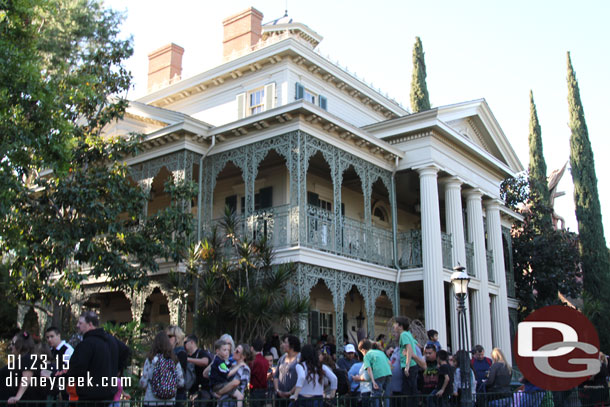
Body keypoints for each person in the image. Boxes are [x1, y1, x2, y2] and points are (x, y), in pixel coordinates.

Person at [67, 310, 131, 405]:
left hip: (90, 397)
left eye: (80, 323)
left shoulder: (86, 344)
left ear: (90, 324)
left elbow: (76, 369)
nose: (77, 325)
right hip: (107, 395)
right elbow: (126, 351)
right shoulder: (111, 340)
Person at [139, 331, 185, 406]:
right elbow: (181, 382)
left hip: (151, 401)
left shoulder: (150, 360)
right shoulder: (174, 360)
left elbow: (143, 383)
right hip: (169, 402)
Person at [6, 331, 48, 406]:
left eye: (13, 343)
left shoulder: (28, 359)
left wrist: (17, 397)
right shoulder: (22, 360)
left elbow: (27, 377)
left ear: (20, 344)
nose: (10, 346)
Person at [394, 316, 424, 407]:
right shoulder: (408, 334)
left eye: (395, 324)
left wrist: (407, 366)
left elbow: (409, 348)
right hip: (412, 366)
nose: (394, 326)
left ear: (400, 326)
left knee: (408, 391)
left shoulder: (403, 335)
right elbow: (416, 344)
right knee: (411, 390)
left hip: (410, 366)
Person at [209, 339, 246, 407]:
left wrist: (234, 365)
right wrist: (239, 366)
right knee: (240, 396)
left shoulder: (221, 361)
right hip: (219, 385)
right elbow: (228, 373)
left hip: (217, 385)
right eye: (224, 350)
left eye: (228, 350)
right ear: (217, 351)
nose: (227, 352)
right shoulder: (219, 362)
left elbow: (228, 365)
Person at [358, 339, 392, 407]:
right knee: (386, 395)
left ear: (363, 350)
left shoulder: (367, 355)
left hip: (378, 374)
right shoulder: (380, 352)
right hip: (388, 373)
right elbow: (390, 363)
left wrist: (373, 381)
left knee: (375, 394)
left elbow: (369, 369)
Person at [274, 334, 301, 407]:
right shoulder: (282, 358)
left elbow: (301, 379)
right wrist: (277, 390)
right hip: (280, 396)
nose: (282, 345)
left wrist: (290, 392)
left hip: (293, 397)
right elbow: (276, 375)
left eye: (285, 342)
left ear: (292, 345)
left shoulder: (300, 359)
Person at [184, 334, 212, 399]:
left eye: (185, 342)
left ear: (192, 342)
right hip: (190, 389)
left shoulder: (201, 352)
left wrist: (188, 359)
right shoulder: (186, 355)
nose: (184, 344)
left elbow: (205, 361)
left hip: (202, 389)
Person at [166, 326, 188, 404]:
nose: (167, 339)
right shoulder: (169, 352)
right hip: (167, 390)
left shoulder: (181, 353)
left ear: (177, 338)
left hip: (178, 391)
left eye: (169, 336)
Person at [250, 338, 270, 407]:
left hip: (254, 391)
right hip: (264, 390)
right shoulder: (265, 361)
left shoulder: (253, 361)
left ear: (252, 348)